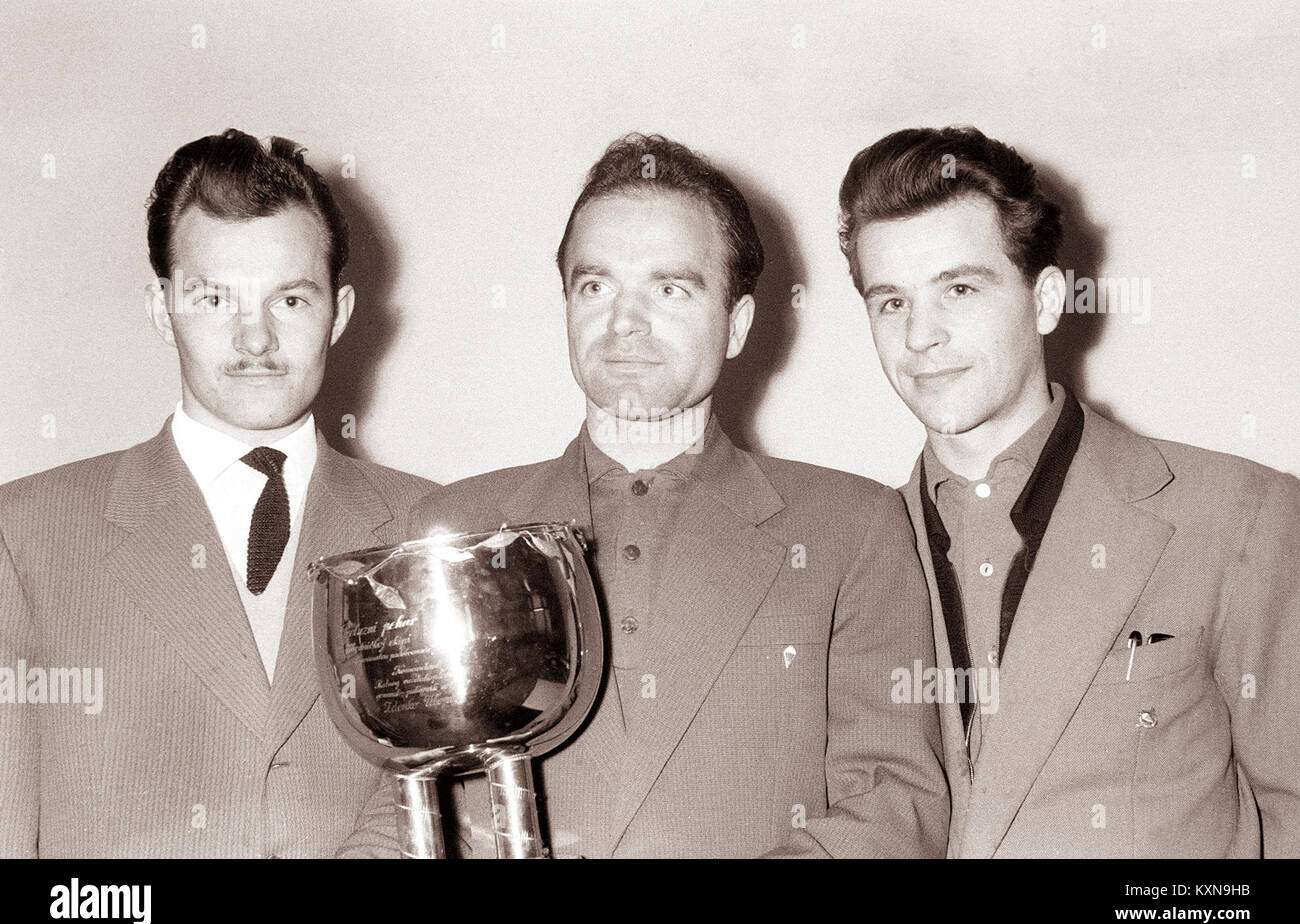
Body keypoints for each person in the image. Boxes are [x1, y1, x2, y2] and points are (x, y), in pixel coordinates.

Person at [339, 133, 948, 858]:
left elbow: (892, 807)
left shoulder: (854, 528)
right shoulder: (450, 525)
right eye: (596, 286)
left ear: (738, 324)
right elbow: (403, 801)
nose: (625, 322)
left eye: (669, 288)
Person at [838, 125, 1300, 857]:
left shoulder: (1241, 517)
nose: (920, 335)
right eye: (890, 302)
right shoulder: (843, 552)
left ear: (1047, 298)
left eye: (959, 288)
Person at [0, 129, 435, 857]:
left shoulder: (429, 527)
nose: (255, 339)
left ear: (342, 311)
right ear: (160, 308)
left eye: (290, 299)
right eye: (213, 299)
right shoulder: (24, 536)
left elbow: (451, 802)